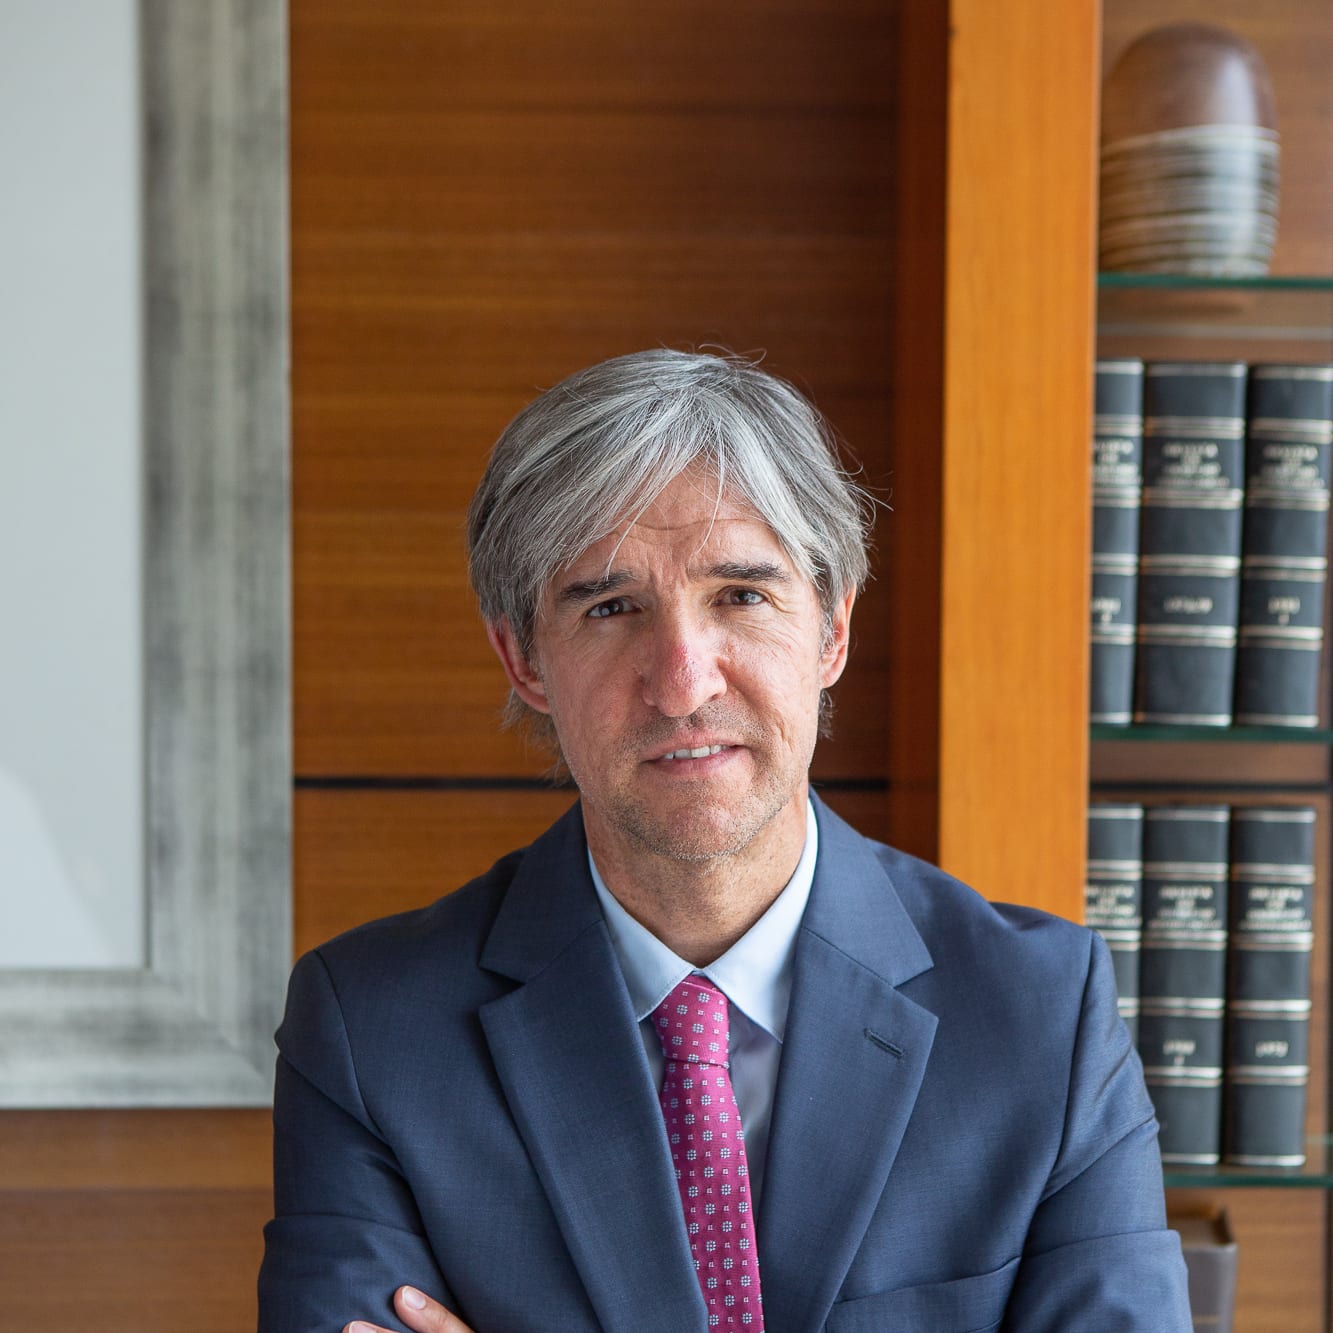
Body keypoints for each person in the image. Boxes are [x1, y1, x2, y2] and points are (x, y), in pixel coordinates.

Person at [258, 349, 1191, 1333]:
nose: (682, 683)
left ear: (831, 628)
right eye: (609, 607)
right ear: (522, 658)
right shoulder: (370, 1030)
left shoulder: (1040, 1012)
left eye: (740, 595)